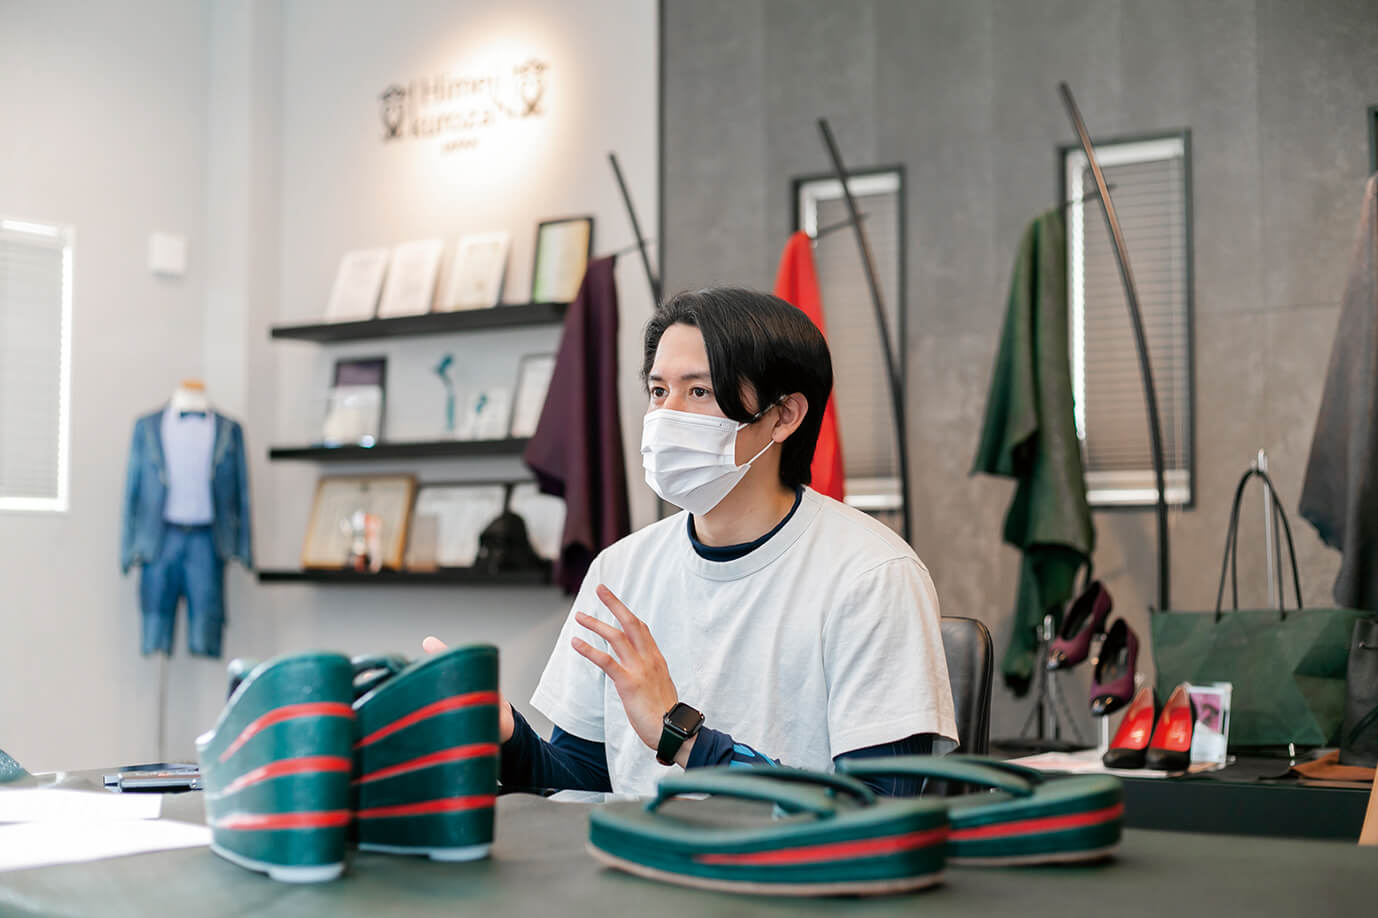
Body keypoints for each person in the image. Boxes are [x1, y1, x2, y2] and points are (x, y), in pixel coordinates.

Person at [425, 287, 957, 797]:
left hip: (778, 865)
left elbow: (877, 810)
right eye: (659, 391)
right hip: (634, 858)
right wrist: (505, 737)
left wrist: (681, 736)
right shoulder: (619, 570)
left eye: (698, 391)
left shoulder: (872, 576)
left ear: (783, 416)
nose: (666, 415)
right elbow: (582, 779)